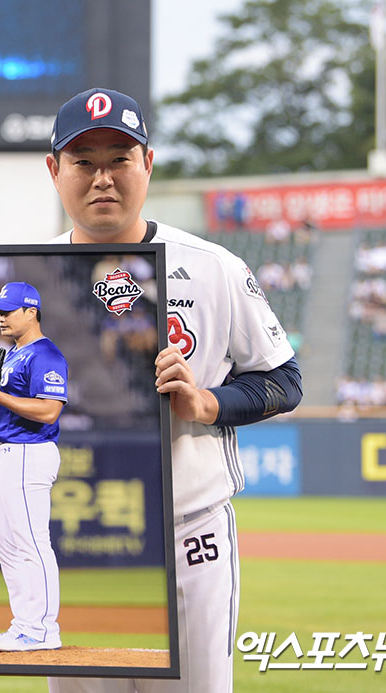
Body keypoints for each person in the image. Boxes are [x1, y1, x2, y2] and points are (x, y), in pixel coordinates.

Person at [42, 89, 302, 693]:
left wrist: (208, 403)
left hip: (190, 533)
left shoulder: (212, 266)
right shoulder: (27, 273)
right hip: (76, 533)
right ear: (54, 170)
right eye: (83, 162)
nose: (102, 178)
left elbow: (285, 380)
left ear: (148, 164)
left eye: (119, 159)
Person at [0, 281, 68, 652]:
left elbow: (49, 411)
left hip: (30, 452)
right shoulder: (12, 354)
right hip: (6, 452)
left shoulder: (46, 354)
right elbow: (2, 410)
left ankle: (42, 629)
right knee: (5, 542)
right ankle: (24, 624)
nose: (1, 317)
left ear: (31, 312)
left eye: (9, 311)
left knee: (30, 542)